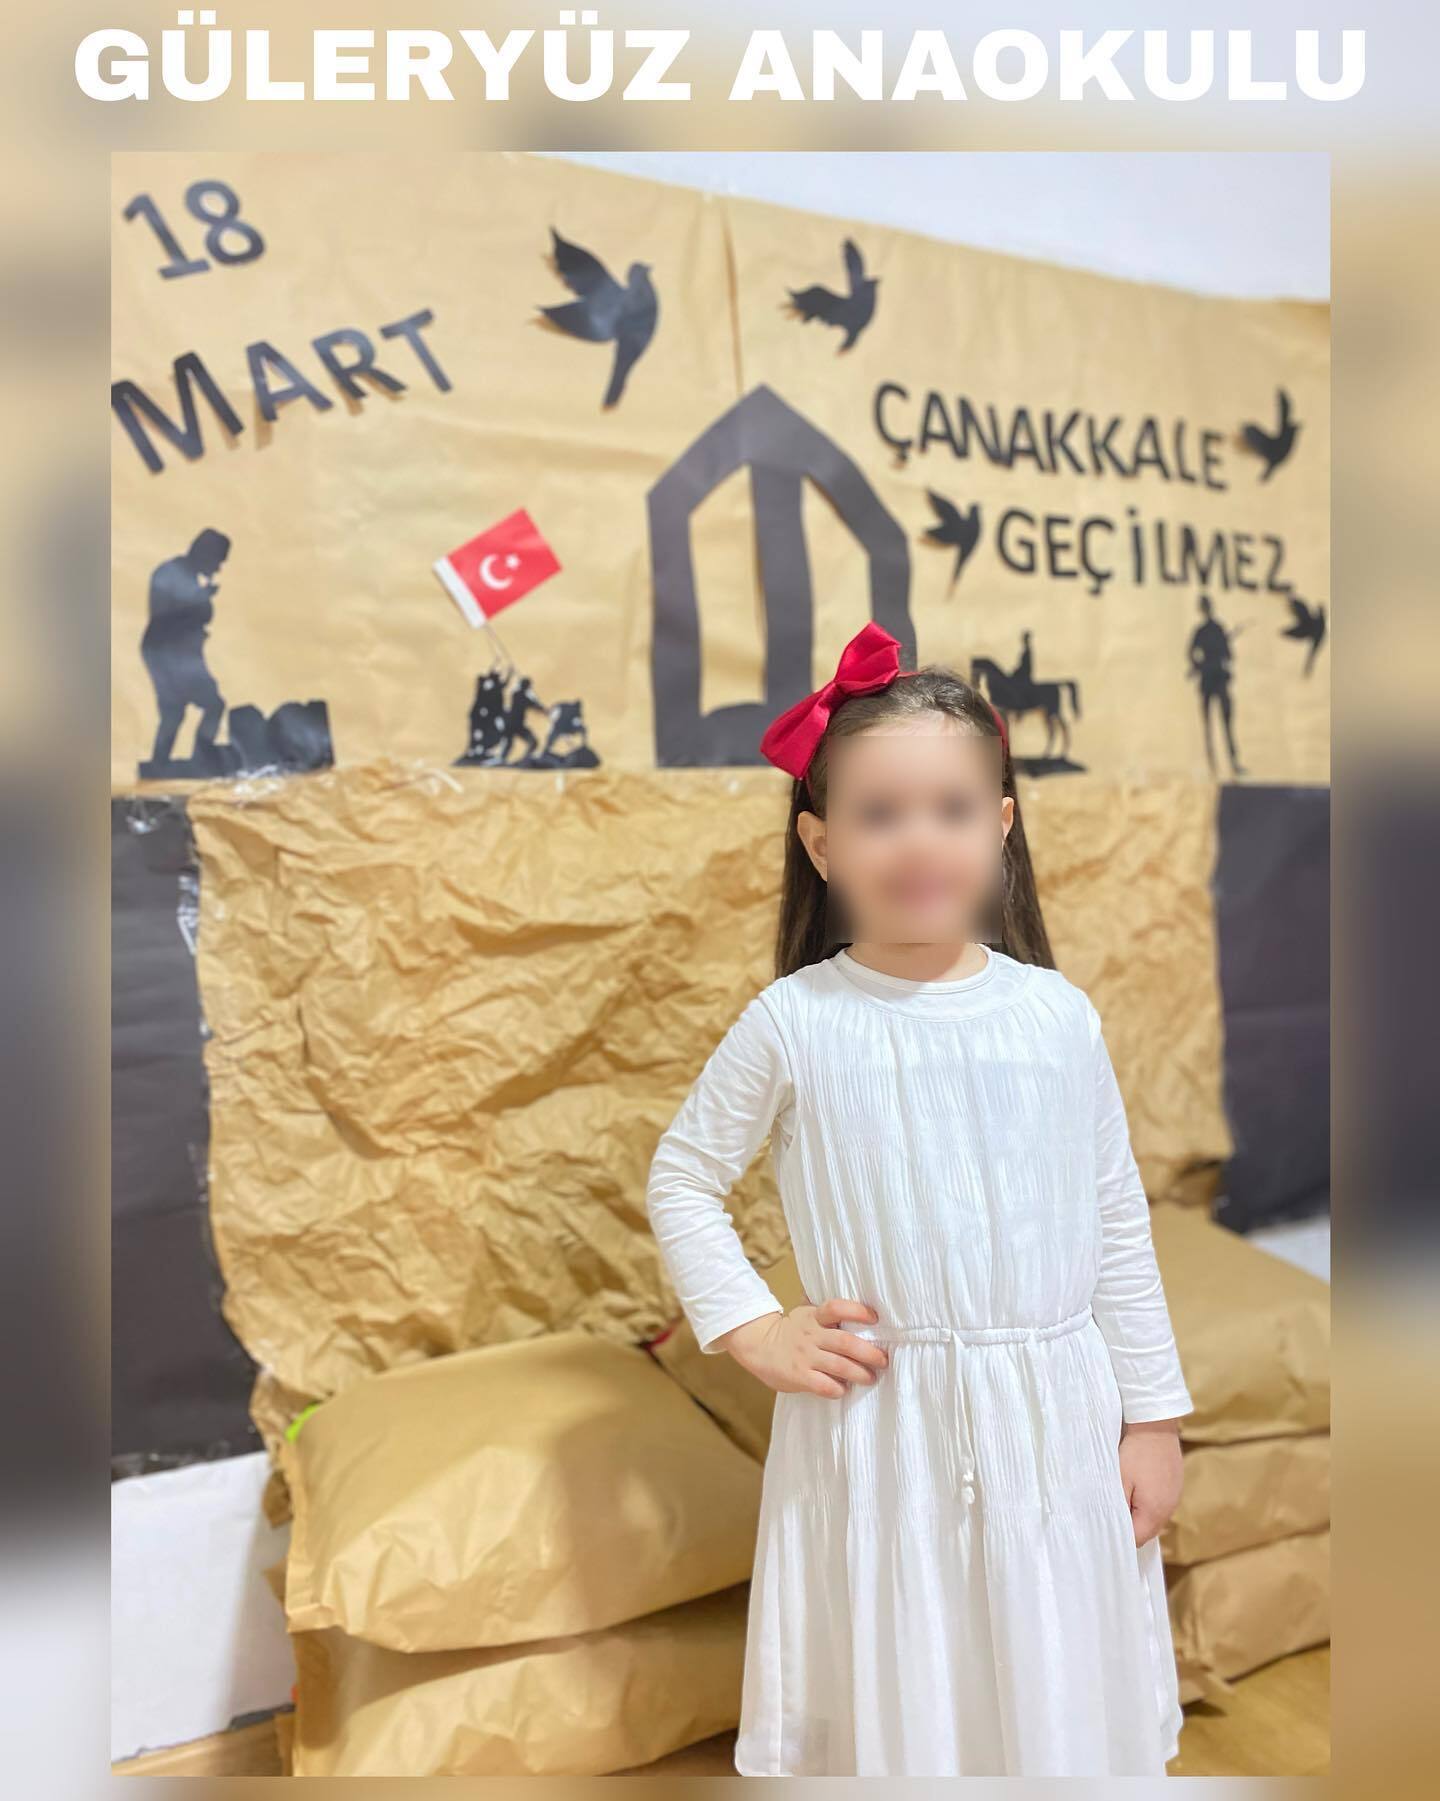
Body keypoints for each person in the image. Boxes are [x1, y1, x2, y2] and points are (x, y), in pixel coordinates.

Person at [644, 620, 1193, 1778]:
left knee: (1051, 1688)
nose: (919, 840)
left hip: (1054, 1417)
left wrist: (1152, 1418)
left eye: (951, 808)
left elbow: (1116, 1220)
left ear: (1001, 824)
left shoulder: (1057, 1016)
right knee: (913, 1688)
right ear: (821, 841)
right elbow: (682, 1175)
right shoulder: (796, 1020)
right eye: (880, 813)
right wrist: (752, 1326)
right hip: (882, 1426)